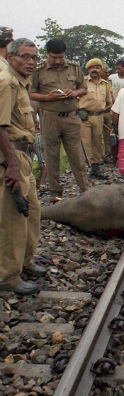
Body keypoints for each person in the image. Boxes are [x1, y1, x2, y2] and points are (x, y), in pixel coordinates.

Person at [0, 37, 46, 295]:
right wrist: (12, 165)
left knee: (32, 213)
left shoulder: (21, 83)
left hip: (24, 156)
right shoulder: (6, 82)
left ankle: (25, 261)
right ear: (11, 56)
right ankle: (8, 276)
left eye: (34, 57)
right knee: (13, 219)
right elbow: (0, 127)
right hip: (12, 157)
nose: (30, 62)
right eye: (25, 56)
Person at [30, 38, 89, 196]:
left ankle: (85, 191)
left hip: (71, 118)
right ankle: (55, 193)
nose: (57, 60)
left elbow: (84, 88)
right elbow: (30, 92)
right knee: (52, 157)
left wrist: (74, 92)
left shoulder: (74, 68)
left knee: (77, 156)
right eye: (53, 57)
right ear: (47, 54)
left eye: (60, 57)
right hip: (50, 118)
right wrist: (47, 97)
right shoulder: (38, 70)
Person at [79, 58, 111, 180]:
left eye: (97, 68)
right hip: (84, 117)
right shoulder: (83, 82)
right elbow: (75, 99)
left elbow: (108, 101)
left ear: (101, 69)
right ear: (88, 69)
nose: (95, 70)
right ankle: (83, 171)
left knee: (97, 142)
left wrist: (106, 113)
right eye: (92, 68)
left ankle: (95, 169)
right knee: (85, 143)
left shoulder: (105, 84)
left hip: (98, 116)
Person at [100, 63, 115, 164]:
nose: (108, 74)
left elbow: (111, 95)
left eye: (109, 72)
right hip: (97, 112)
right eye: (106, 72)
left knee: (108, 135)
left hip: (108, 111)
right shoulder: (88, 81)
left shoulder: (108, 82)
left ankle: (107, 155)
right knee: (96, 136)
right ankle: (97, 157)